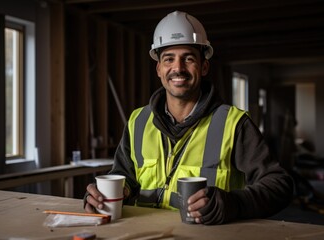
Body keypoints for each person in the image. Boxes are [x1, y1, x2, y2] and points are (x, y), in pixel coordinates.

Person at [84, 10, 294, 225]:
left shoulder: (233, 124)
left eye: (188, 58)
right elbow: (124, 176)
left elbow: (279, 185)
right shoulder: (138, 121)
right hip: (145, 233)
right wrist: (104, 195)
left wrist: (233, 204)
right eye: (169, 59)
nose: (178, 68)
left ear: (203, 67)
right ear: (159, 69)